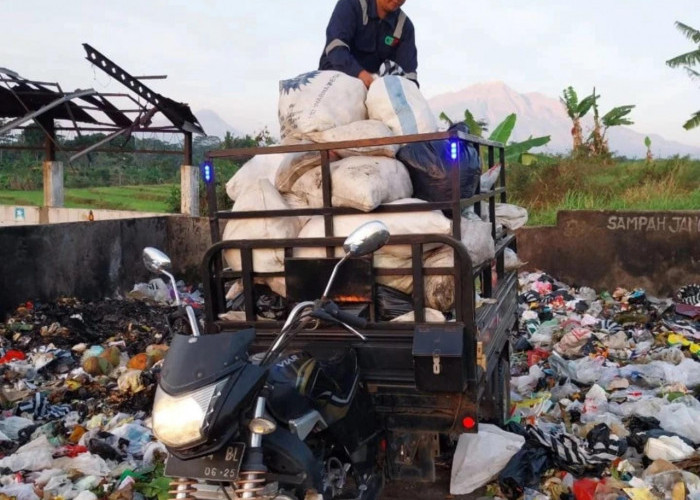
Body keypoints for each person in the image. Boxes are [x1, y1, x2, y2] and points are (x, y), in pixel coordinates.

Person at [319, 0, 418, 88]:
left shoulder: (405, 27)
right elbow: (336, 48)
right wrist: (360, 74)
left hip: (375, 92)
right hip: (334, 80)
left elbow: (409, 75)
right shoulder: (350, 4)